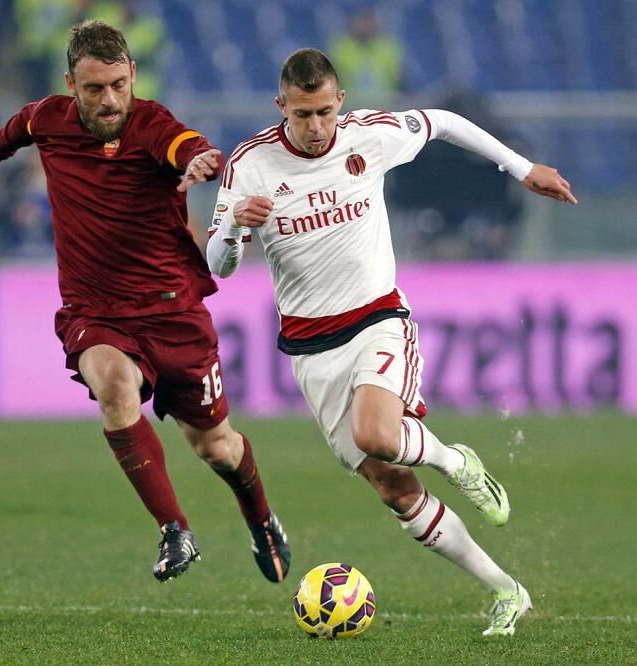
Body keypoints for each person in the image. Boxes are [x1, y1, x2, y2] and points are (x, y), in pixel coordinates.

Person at [206, 48, 576, 635]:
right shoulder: (250, 164)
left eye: (325, 111)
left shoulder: (370, 136)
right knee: (392, 485)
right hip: (310, 348)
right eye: (302, 114)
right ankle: (508, 590)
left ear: (340, 102)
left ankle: (457, 461)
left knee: (377, 433)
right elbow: (220, 268)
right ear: (281, 107)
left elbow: (446, 122)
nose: (315, 127)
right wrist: (231, 227)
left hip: (378, 317)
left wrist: (520, 167)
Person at [0, 20, 290, 583]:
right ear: (71, 85)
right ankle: (174, 529)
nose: (109, 99)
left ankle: (261, 518)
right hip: (97, 312)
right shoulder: (49, 118)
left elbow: (186, 146)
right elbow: (20, 127)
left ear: (132, 74)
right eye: (94, 89)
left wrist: (199, 162)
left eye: (118, 84)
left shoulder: (151, 124)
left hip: (173, 313)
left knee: (216, 448)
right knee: (114, 386)